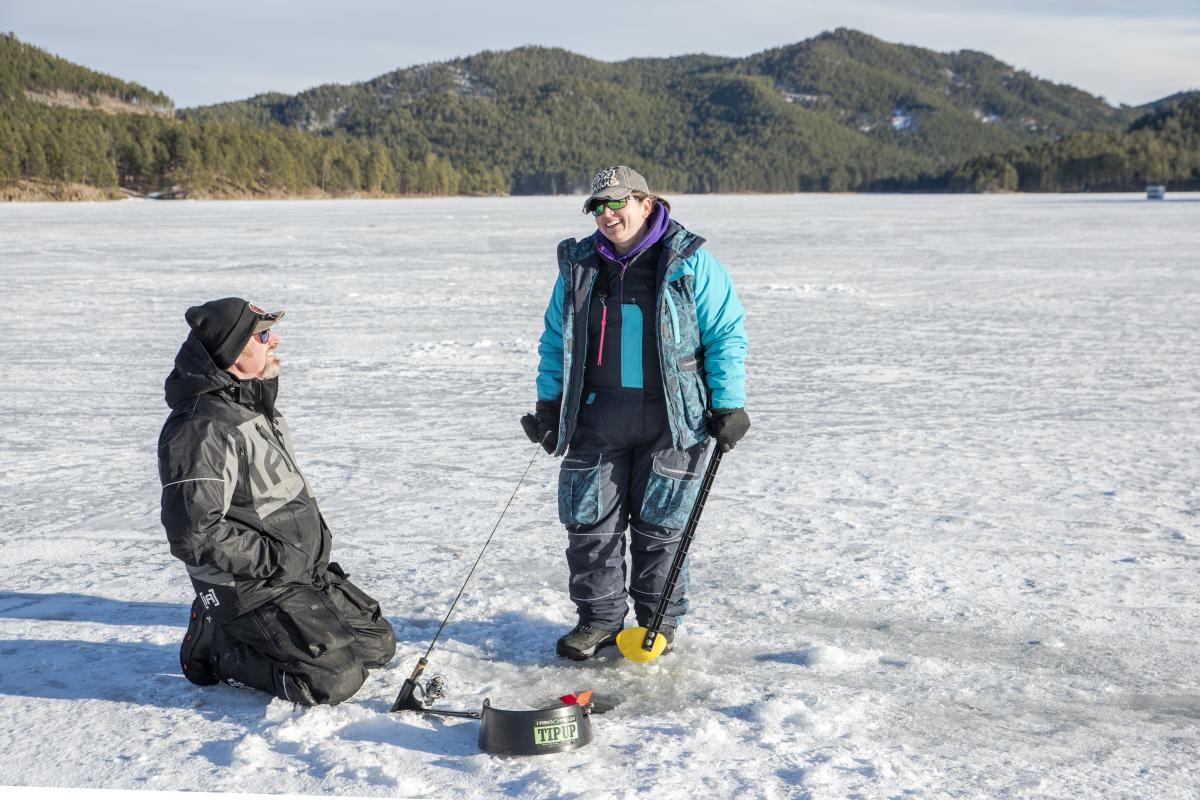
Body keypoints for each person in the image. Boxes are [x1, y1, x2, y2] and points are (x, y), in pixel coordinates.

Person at [522, 166, 750, 660]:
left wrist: (728, 403)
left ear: (646, 202)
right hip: (596, 416)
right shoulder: (580, 266)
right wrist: (548, 403)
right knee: (590, 526)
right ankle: (599, 621)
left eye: (616, 202)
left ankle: (657, 624)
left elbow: (725, 334)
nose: (607, 214)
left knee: (661, 528)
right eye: (597, 207)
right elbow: (555, 340)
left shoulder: (690, 263)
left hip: (672, 420)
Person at [158, 297, 395, 705]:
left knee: (377, 645)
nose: (275, 341)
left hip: (299, 571)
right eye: (262, 335)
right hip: (253, 584)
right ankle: (219, 647)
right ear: (232, 351)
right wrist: (278, 559)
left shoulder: (249, 404)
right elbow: (195, 534)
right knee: (332, 681)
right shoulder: (201, 427)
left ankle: (259, 627)